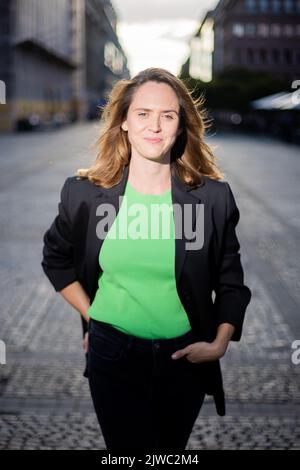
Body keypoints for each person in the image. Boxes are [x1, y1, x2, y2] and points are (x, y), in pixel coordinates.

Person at [41, 67, 251, 452]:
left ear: (180, 124)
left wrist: (219, 344)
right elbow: (56, 260)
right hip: (112, 354)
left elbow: (231, 282)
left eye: (167, 115)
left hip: (184, 359)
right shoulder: (84, 194)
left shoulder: (213, 199)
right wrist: (92, 315)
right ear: (124, 121)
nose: (154, 126)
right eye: (143, 114)